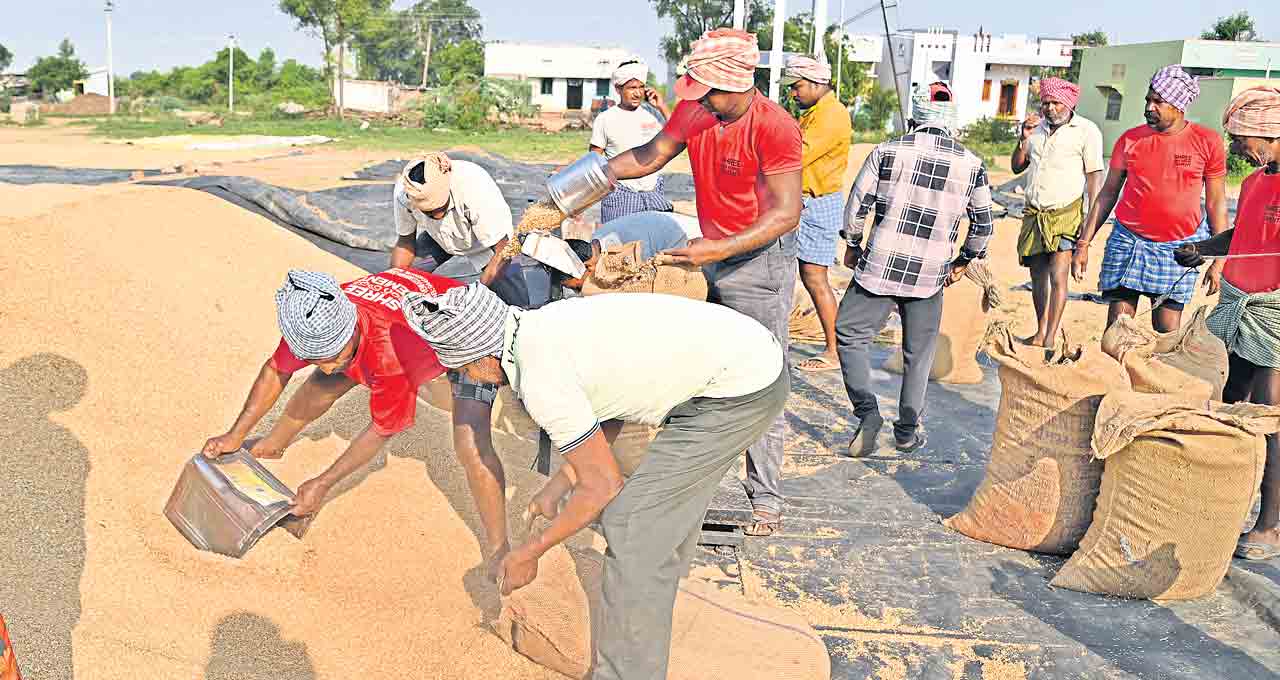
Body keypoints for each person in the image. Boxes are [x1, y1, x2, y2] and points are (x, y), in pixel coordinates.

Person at [400, 283, 787, 680]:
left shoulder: (539, 378)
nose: (466, 376)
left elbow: (604, 485)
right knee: (658, 514)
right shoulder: (542, 325)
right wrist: (558, 486)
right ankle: (653, 593)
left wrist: (531, 551)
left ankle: (624, 672)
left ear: (482, 356)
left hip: (737, 392)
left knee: (631, 523)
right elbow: (614, 405)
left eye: (462, 367)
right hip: (743, 358)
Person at [600, 27, 803, 536]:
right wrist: (592, 176)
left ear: (739, 83)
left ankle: (766, 499)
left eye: (710, 90)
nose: (701, 100)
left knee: (758, 375)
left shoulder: (774, 126)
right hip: (711, 250)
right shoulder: (698, 111)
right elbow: (651, 154)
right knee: (700, 372)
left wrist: (719, 249)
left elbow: (786, 213)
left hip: (758, 259)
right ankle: (683, 485)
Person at [200, 269, 513, 576]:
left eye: (333, 353)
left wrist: (322, 484)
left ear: (351, 329)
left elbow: (382, 429)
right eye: (314, 357)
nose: (326, 364)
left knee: (470, 443)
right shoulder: (313, 312)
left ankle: (500, 549)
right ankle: (273, 444)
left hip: (469, 333)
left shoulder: (391, 356)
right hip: (400, 314)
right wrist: (235, 434)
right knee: (326, 381)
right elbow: (276, 370)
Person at [838, 89, 995, 456]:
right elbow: (984, 226)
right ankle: (906, 432)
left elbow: (858, 204)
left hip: (879, 264)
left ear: (913, 119)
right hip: (930, 274)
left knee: (850, 333)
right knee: (919, 353)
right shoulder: (972, 165)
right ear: (952, 124)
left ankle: (867, 412)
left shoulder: (886, 151)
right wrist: (962, 262)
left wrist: (853, 243)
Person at [1173, 86, 1280, 560]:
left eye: (1240, 138)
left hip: (1274, 312)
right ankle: (1225, 504)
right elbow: (1243, 234)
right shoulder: (1258, 181)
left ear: (1268, 133)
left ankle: (1271, 525)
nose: (1235, 148)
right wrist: (1204, 250)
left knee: (1271, 416)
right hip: (1239, 305)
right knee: (1231, 405)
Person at [1075, 65, 1229, 333]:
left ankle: (1156, 376)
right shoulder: (1130, 140)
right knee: (1117, 331)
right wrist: (1084, 243)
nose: (1149, 107)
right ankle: (1117, 375)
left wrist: (1218, 260)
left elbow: (1216, 203)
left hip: (1180, 249)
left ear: (1179, 105)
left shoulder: (1208, 142)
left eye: (1158, 101)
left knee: (1167, 333)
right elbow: (1108, 193)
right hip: (1128, 243)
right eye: (1148, 100)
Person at [1010, 77, 1105, 347]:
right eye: (1046, 103)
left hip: (1066, 213)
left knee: (1058, 274)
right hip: (1035, 213)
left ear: (1069, 103)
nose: (1050, 109)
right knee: (1037, 275)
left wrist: (1089, 222)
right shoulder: (1036, 131)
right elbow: (1017, 167)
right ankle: (1040, 330)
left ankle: (1051, 336)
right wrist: (1023, 139)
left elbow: (1095, 180)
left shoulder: (1086, 131)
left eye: (1056, 103)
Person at [784, 55, 852, 372]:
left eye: (796, 87)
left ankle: (834, 350)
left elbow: (794, 155)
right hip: (805, 199)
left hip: (818, 202)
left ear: (815, 83)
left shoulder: (831, 116)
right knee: (804, 276)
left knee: (815, 277)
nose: (793, 94)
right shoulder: (815, 113)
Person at [389, 153, 513, 286]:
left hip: (489, 242)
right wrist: (394, 285)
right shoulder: (405, 192)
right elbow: (405, 241)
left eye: (439, 208)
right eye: (428, 212)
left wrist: (478, 295)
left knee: (515, 301)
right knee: (406, 277)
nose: (436, 217)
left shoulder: (475, 188)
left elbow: (504, 250)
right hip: (438, 237)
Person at [590, 59, 674, 222]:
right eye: (631, 88)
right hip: (620, 196)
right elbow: (594, 160)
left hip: (653, 194)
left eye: (641, 87)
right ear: (618, 89)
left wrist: (662, 106)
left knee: (655, 244)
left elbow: (679, 133)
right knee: (619, 245)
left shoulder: (654, 114)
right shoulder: (605, 119)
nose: (637, 93)